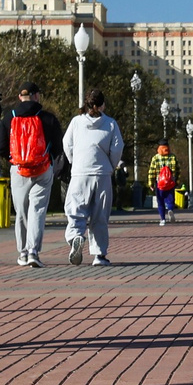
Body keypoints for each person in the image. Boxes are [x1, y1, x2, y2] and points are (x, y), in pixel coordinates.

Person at [4, 82, 66, 267]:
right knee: (37, 210)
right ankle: (33, 252)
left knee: (21, 211)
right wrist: (49, 160)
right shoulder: (48, 118)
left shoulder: (8, 118)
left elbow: (0, 145)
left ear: (19, 97)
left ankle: (22, 252)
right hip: (42, 168)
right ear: (37, 96)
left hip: (19, 169)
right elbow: (58, 145)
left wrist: (14, 159)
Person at [61, 92, 124, 264]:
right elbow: (117, 148)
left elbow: (67, 143)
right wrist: (110, 165)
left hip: (80, 172)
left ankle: (75, 237)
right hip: (102, 174)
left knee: (76, 209)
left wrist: (75, 160)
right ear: (102, 105)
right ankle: (99, 254)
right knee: (100, 215)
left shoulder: (76, 122)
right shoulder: (110, 124)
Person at [147, 139, 179, 224]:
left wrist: (151, 183)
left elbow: (151, 171)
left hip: (159, 183)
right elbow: (177, 170)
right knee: (170, 199)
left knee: (160, 201)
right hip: (170, 183)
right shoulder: (172, 157)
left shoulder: (155, 158)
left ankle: (162, 219)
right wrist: (176, 181)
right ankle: (170, 209)